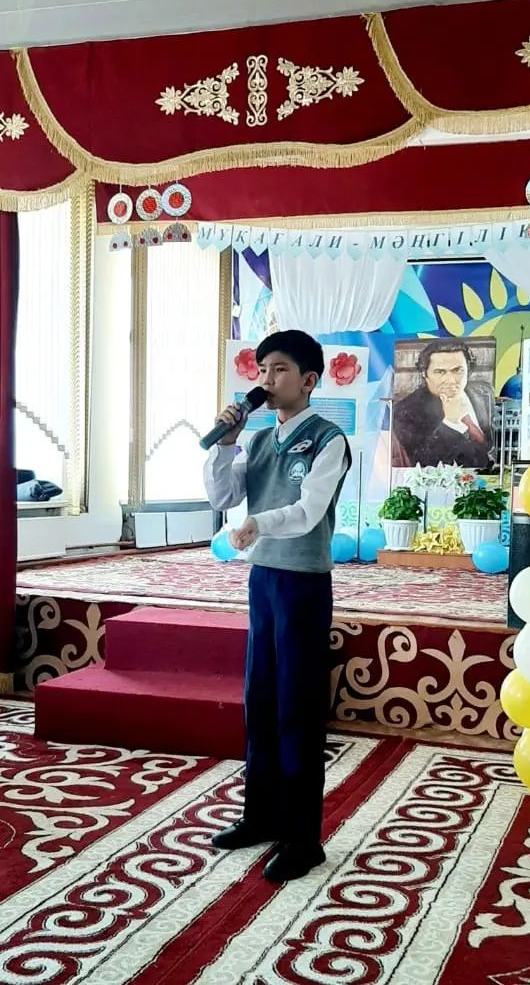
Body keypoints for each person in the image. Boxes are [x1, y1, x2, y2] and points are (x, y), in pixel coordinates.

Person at [203, 330, 351, 883]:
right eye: (262, 369)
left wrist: (259, 523)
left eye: (280, 370)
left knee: (298, 708)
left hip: (303, 585)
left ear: (309, 380)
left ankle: (302, 838)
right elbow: (222, 496)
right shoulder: (261, 439)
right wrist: (225, 444)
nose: (266, 380)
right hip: (263, 580)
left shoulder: (328, 440)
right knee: (260, 700)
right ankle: (260, 816)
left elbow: (309, 512)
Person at [392, 339, 496, 469]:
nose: (450, 380)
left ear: (468, 370)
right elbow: (424, 464)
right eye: (440, 372)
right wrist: (450, 422)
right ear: (424, 373)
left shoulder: (484, 392)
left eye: (457, 370)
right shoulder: (406, 411)